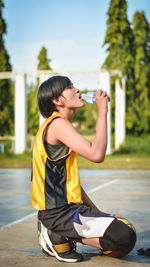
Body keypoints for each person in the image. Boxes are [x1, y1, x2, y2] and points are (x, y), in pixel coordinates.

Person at [31, 75, 136, 263]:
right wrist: (103, 111)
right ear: (56, 100)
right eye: (69, 87)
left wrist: (99, 213)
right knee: (124, 236)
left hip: (68, 209)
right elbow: (97, 154)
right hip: (58, 215)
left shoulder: (56, 126)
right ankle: (58, 235)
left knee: (124, 233)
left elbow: (71, 186)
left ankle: (62, 235)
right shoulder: (57, 124)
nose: (77, 89)